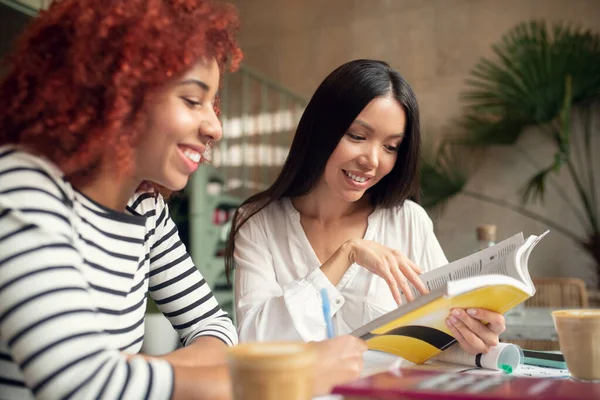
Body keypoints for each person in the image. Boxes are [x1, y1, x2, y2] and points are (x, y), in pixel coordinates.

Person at [0, 1, 366, 399]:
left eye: (213, 103)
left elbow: (217, 329)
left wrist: (127, 374)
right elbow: (79, 385)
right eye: (193, 100)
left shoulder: (146, 210)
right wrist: (293, 376)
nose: (215, 127)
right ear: (115, 93)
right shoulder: (22, 186)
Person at [227, 59, 506, 355]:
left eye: (390, 147)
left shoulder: (408, 222)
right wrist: (347, 254)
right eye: (357, 137)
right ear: (321, 129)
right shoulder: (258, 222)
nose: (372, 160)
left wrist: (476, 335)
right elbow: (255, 341)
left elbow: (445, 338)